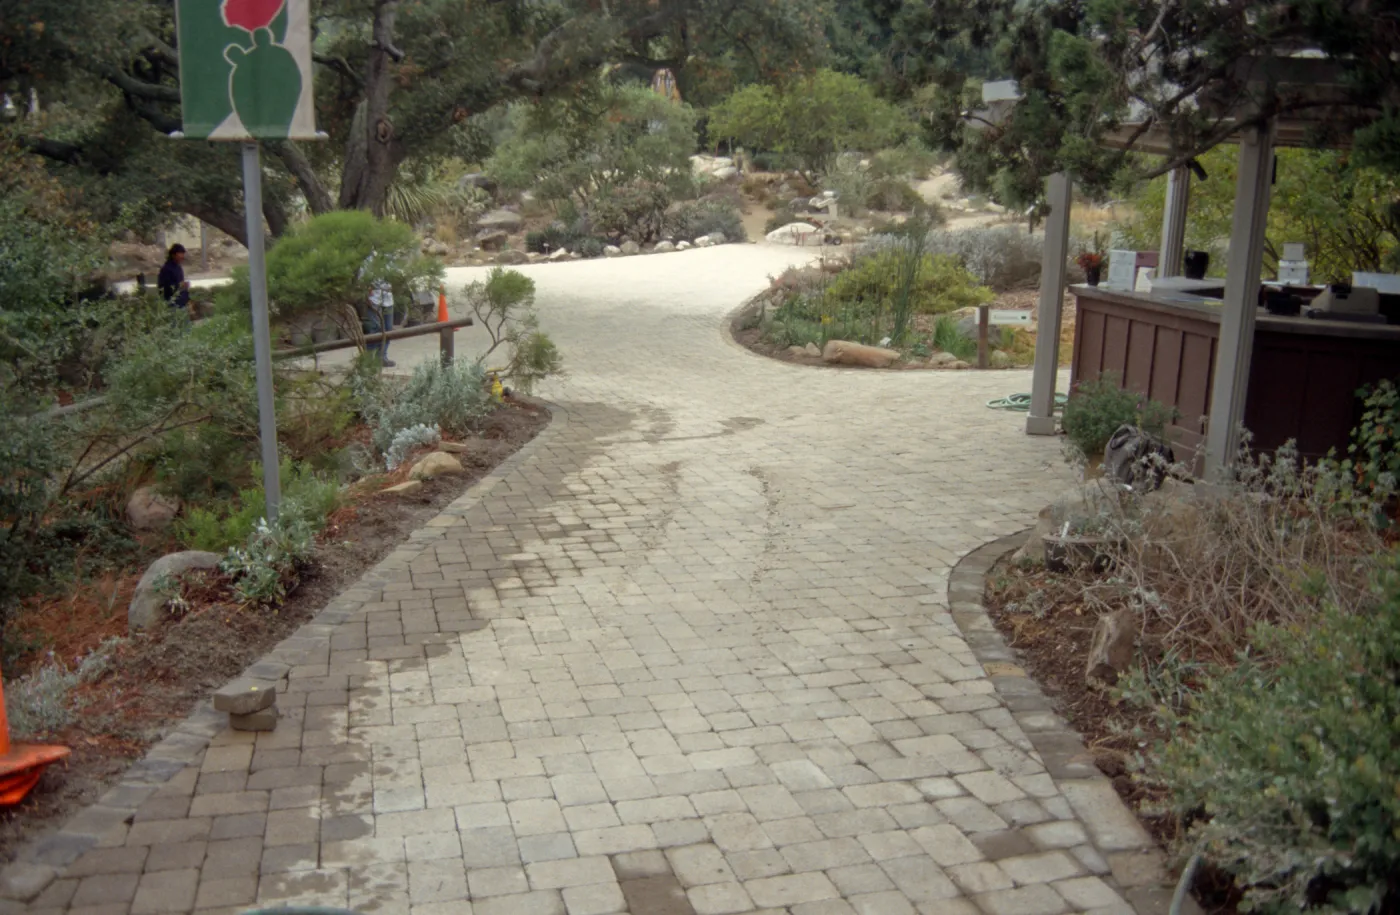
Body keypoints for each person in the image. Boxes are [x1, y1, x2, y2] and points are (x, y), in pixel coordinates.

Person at [359, 252, 396, 367]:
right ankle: (369, 359)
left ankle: (382, 357)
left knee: (388, 329)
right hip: (374, 299)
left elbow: (396, 275)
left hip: (387, 299)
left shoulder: (390, 257)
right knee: (374, 329)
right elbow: (362, 280)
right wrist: (367, 296)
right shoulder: (368, 260)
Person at [157, 244, 191, 309]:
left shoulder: (178, 268)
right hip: (171, 300)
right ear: (173, 255)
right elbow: (165, 288)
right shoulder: (166, 269)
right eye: (180, 254)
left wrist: (184, 286)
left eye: (183, 254)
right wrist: (179, 285)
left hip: (180, 299)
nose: (182, 257)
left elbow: (181, 285)